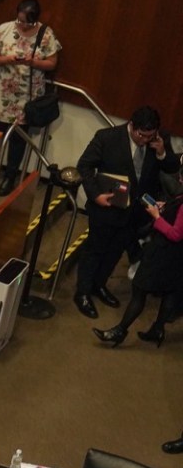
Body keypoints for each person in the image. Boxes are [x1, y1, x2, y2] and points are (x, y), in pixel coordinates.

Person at [72, 107, 178, 319]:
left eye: (149, 136)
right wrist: (95, 195)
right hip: (107, 206)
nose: (144, 140)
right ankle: (82, 292)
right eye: (141, 135)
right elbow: (84, 166)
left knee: (115, 251)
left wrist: (161, 152)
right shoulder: (107, 137)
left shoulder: (158, 139)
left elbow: (172, 166)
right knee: (95, 249)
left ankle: (99, 285)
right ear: (132, 125)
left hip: (136, 212)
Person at [0, 0, 62, 194]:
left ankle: (10, 176)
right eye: (20, 20)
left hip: (27, 95)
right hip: (1, 92)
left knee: (19, 138)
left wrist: (33, 63)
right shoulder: (4, 29)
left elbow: (52, 63)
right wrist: (5, 59)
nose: (23, 25)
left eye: (28, 22)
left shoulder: (46, 34)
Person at [95, 197, 182, 349]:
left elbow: (176, 234)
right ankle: (158, 329)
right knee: (170, 292)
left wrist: (157, 216)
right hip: (176, 257)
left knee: (139, 289)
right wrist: (167, 207)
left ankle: (120, 331)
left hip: (164, 254)